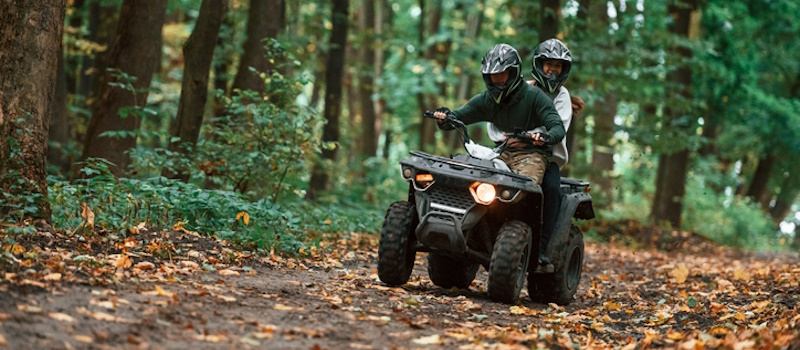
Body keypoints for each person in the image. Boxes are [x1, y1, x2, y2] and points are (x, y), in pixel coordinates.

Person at [433, 43, 565, 257]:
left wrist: (546, 137)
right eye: (493, 75)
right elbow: (460, 116)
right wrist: (445, 118)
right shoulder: (487, 99)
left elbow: (557, 125)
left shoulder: (533, 96)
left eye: (502, 74)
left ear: (513, 73)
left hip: (532, 155)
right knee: (473, 178)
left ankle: (534, 245)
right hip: (501, 152)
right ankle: (474, 228)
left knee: (526, 192)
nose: (498, 79)